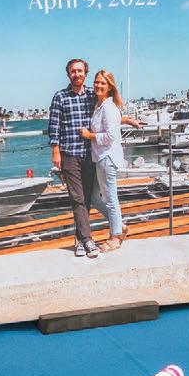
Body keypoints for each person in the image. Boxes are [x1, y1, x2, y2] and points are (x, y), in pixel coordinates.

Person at [48, 58, 100, 257]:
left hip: (90, 153)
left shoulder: (93, 95)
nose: (77, 74)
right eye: (73, 71)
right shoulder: (60, 96)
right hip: (69, 154)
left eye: (80, 71)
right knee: (77, 197)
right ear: (68, 74)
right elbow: (54, 125)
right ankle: (87, 240)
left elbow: (107, 114)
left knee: (86, 197)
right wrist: (55, 151)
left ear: (85, 73)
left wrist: (127, 120)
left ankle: (80, 240)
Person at [79, 70, 125, 252]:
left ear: (110, 87)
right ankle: (119, 225)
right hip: (99, 158)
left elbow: (111, 135)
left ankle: (115, 237)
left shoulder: (108, 107)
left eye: (103, 83)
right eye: (96, 82)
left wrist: (89, 135)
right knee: (93, 198)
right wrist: (128, 120)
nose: (98, 85)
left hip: (107, 158)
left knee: (111, 198)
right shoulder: (100, 105)